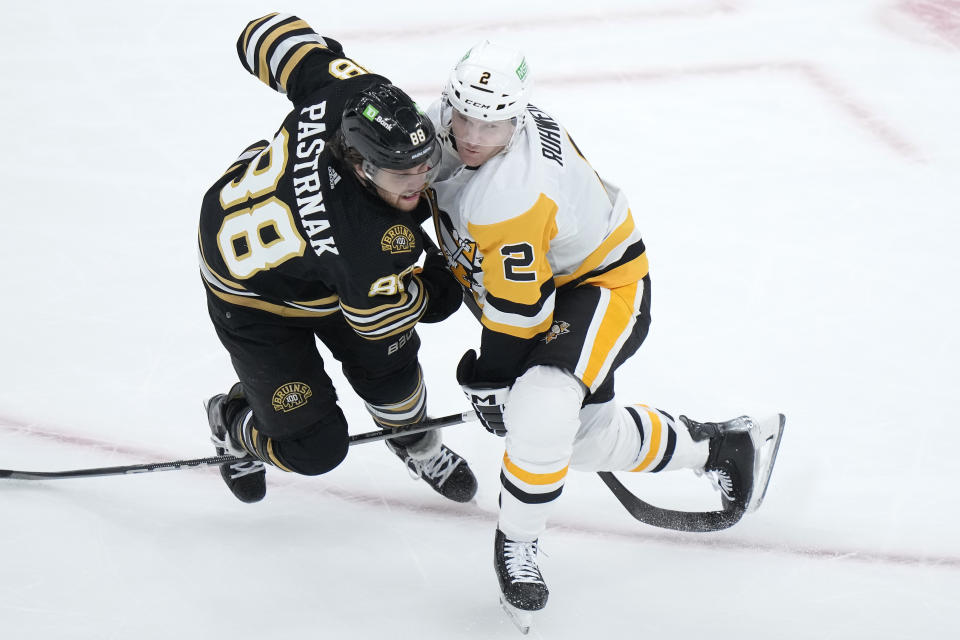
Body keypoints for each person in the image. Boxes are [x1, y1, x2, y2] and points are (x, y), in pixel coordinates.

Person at [426, 41, 783, 617]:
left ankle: (517, 542)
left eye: (489, 124)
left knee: (541, 409)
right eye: (462, 115)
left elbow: (520, 312)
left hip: (601, 285)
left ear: (516, 118)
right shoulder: (456, 132)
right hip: (548, 276)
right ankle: (720, 447)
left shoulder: (510, 197)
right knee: (575, 436)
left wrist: (491, 379)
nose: (470, 134)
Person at [197, 13, 476, 506]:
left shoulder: (358, 96)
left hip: (271, 219)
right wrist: (444, 285)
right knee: (314, 448)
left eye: (426, 162)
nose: (423, 178)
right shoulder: (365, 244)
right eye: (403, 175)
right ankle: (234, 422)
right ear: (364, 168)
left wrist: (315, 58)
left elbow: (264, 33)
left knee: (392, 373)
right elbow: (388, 318)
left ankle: (413, 441)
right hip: (253, 297)